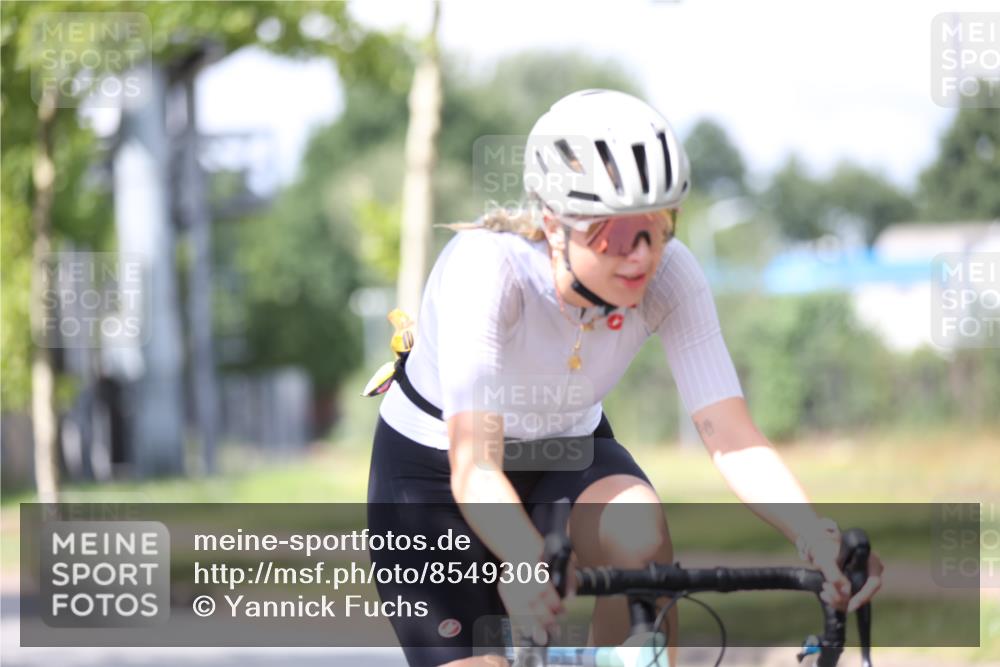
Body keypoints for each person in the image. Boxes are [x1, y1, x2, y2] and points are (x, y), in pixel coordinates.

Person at [366, 89, 883, 667]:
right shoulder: (486, 270)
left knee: (639, 531)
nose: (640, 254)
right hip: (435, 476)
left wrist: (815, 534)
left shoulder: (672, 276)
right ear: (552, 224)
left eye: (658, 224)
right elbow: (475, 466)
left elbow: (732, 438)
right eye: (612, 232)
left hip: (567, 452)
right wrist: (524, 558)